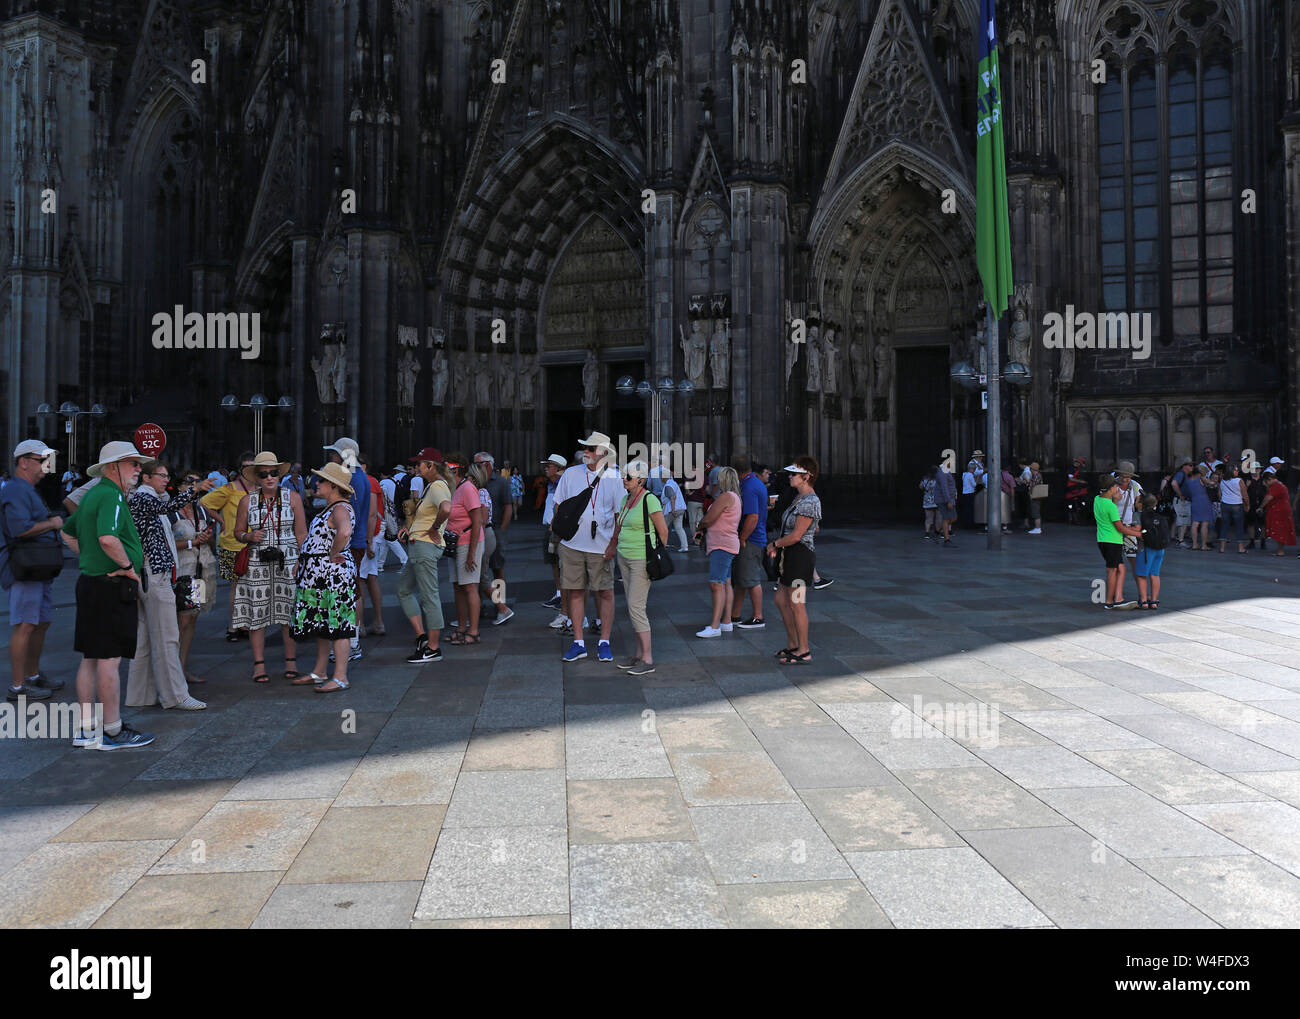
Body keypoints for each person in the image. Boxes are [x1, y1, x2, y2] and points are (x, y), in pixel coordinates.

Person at [60, 441, 155, 749]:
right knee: (109, 660)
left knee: (91, 658)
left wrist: (90, 558)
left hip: (91, 583)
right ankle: (112, 730)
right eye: (133, 464)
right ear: (113, 467)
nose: (139, 470)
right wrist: (128, 567)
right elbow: (107, 538)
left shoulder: (93, 495)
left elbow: (66, 531)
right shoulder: (111, 495)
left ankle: (86, 730)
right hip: (109, 587)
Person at [124, 459, 216, 709]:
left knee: (146, 636)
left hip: (163, 572)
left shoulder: (147, 499)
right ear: (147, 478)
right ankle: (176, 695)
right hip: (157, 573)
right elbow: (170, 508)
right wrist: (195, 490)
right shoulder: (145, 498)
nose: (166, 480)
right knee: (167, 635)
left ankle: (140, 695)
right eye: (161, 476)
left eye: (167, 476)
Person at [232, 452, 307, 683]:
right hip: (257, 562)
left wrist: (302, 561)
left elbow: (301, 532)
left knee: (289, 613)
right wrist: (249, 535)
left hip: (288, 561)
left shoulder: (292, 498)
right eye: (264, 474)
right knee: (258, 614)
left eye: (274, 473)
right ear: (257, 478)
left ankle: (291, 662)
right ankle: (259, 665)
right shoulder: (248, 501)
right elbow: (237, 532)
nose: (269, 478)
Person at [2, 440, 64, 703]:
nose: (45, 467)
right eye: (41, 461)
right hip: (24, 567)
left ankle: (32, 676)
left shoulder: (25, 489)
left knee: (40, 622)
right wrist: (52, 523)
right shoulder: (16, 490)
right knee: (26, 624)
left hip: (37, 567)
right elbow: (19, 529)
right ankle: (18, 687)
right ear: (23, 462)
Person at [553, 432, 622, 662]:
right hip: (572, 545)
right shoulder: (571, 474)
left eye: (591, 449)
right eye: (585, 448)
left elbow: (618, 515)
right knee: (575, 591)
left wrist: (613, 544)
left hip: (601, 546)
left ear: (602, 453)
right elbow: (558, 507)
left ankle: (604, 641)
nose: (586, 452)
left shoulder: (613, 477)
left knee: (605, 592)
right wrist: (563, 534)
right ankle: (578, 642)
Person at [292, 462, 357, 691]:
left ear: (333, 486)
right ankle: (319, 671)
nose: (315, 484)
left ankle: (341, 676)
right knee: (323, 624)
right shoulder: (331, 507)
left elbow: (345, 531)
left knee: (338, 624)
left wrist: (333, 552)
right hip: (320, 576)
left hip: (332, 576)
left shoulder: (340, 508)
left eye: (321, 481)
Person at [605, 460, 667, 675]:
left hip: (642, 559)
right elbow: (619, 525)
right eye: (624, 476)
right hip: (625, 556)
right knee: (634, 607)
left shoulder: (650, 500)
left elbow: (663, 532)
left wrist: (654, 554)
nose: (624, 479)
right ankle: (639, 654)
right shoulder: (625, 499)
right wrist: (613, 546)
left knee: (635, 606)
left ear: (640, 480)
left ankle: (647, 658)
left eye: (628, 477)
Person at [397, 448, 452, 663]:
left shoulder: (437, 486)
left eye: (420, 464)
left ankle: (433, 647)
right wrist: (410, 528)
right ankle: (422, 636)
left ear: (430, 466)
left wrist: (434, 528)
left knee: (430, 596)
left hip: (425, 545)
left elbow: (446, 508)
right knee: (403, 590)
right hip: (419, 543)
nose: (417, 467)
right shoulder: (433, 486)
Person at [767, 456, 821, 664]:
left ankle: (804, 650)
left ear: (806, 477)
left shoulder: (809, 501)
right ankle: (793, 645)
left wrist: (775, 544)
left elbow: (797, 535)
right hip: (790, 555)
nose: (789, 477)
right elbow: (813, 527)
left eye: (793, 474)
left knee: (797, 604)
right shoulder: (799, 498)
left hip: (800, 556)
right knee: (781, 600)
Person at [323, 437, 372, 661]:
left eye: (334, 453)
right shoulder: (360, 476)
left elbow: (347, 517)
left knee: (348, 593)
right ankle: (352, 641)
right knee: (353, 590)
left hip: (349, 543)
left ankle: (350, 643)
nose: (331, 457)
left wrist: (336, 549)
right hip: (356, 541)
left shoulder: (352, 478)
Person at [201, 450, 257, 641]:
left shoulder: (258, 489)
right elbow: (204, 503)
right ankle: (234, 626)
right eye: (246, 466)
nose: (250, 470)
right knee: (235, 586)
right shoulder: (230, 488)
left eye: (253, 466)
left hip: (253, 542)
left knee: (250, 586)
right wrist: (221, 520)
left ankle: (245, 623)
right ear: (241, 469)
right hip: (231, 543)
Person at [170, 469, 217, 684]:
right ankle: (173, 671)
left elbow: (211, 541)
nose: (196, 485)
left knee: (192, 617)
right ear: (180, 486)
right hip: (180, 572)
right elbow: (167, 544)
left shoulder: (202, 511)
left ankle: (181, 666)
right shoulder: (171, 512)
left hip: (200, 570)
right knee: (182, 619)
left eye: (199, 481)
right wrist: (192, 542)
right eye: (191, 481)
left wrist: (207, 538)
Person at [442, 452, 485, 645]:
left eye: (446, 467)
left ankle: (473, 631)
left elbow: (477, 522)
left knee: (469, 587)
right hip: (455, 543)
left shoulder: (468, 488)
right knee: (458, 587)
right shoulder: (454, 488)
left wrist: (471, 554)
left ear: (456, 468)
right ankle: (461, 628)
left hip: (469, 542)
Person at [695, 466, 741, 638]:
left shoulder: (726, 496)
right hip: (726, 544)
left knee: (716, 584)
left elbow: (709, 518)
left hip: (721, 545)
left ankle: (715, 626)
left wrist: (699, 526)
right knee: (725, 583)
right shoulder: (735, 497)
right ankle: (726, 621)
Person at [472, 452, 514, 624]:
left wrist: (502, 530)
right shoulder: (475, 482)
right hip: (481, 529)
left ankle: (501, 605)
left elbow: (508, 507)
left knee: (497, 568)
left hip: (493, 529)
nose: (473, 467)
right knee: (479, 572)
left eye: (477, 464)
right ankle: (479, 605)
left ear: (487, 464)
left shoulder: (501, 482)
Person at [729, 454, 768, 628]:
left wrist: (742, 538)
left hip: (751, 539)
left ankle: (758, 616)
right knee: (741, 579)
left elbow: (752, 516)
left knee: (751, 579)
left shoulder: (749, 486)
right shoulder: (755, 482)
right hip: (754, 537)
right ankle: (734, 615)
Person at [1094, 474, 1142, 610]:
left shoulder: (1097, 500)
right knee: (1112, 570)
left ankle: (1118, 597)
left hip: (1102, 540)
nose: (1118, 488)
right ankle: (1110, 601)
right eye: (1116, 486)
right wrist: (1138, 534)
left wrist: (1114, 501)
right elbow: (1120, 527)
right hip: (1113, 541)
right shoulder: (1111, 506)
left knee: (1120, 568)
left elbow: (1107, 517)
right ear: (1111, 488)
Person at [354, 455, 386, 635]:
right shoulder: (369, 481)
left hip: (369, 535)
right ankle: (376, 622)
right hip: (370, 535)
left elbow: (372, 513)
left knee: (361, 579)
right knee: (369, 578)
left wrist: (368, 541)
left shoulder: (369, 481)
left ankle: (362, 625)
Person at [538, 454, 567, 621]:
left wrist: (554, 525)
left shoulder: (563, 483)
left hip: (557, 529)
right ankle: (559, 594)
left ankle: (564, 599)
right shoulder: (552, 483)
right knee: (553, 563)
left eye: (549, 465)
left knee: (561, 564)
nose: (546, 468)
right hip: (550, 527)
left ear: (557, 467)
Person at [1135, 494, 1169, 609]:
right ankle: (1154, 602)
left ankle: (1144, 601)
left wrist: (1126, 529)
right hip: (1160, 549)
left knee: (1141, 575)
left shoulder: (1139, 515)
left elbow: (1137, 531)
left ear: (1141, 504)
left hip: (1145, 549)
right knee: (1155, 574)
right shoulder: (1159, 516)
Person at [1260, 467, 1296, 556]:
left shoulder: (1276, 486)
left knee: (1279, 530)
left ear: (1270, 479)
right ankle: (1280, 550)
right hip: (1282, 510)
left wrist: (1260, 507)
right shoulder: (1280, 485)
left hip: (1279, 511)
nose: (1266, 484)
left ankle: (1280, 551)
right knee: (1281, 530)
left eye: (1266, 482)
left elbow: (1267, 498)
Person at [1114, 462, 1144, 564]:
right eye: (1122, 476)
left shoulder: (1135, 486)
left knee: (1133, 557)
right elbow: (1105, 506)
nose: (1124, 479)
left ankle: (1139, 578)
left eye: (1127, 477)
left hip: (1128, 526)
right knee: (1115, 560)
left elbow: (1139, 506)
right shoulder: (1112, 486)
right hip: (1113, 527)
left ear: (1131, 476)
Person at [1216, 462, 1250, 554]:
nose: (1237, 471)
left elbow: (1219, 494)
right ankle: (1241, 548)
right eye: (1236, 469)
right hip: (1237, 505)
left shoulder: (1222, 480)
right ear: (1232, 471)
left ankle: (1222, 548)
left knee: (1224, 526)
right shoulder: (1239, 481)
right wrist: (1247, 505)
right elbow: (1245, 495)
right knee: (1239, 526)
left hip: (1225, 504)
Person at [1182, 464, 1213, 550]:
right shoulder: (1201, 478)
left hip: (1194, 501)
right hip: (1204, 501)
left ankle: (1195, 544)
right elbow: (1211, 483)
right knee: (1204, 523)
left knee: (1195, 523)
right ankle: (1204, 545)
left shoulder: (1189, 480)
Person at [1170, 460, 1194, 546]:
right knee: (1183, 520)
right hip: (1182, 501)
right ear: (1184, 466)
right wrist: (1180, 494)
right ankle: (1181, 540)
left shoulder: (1184, 474)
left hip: (1182, 500)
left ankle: (1173, 536)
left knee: (1179, 519)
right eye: (1190, 465)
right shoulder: (1181, 474)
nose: (1192, 467)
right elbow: (1174, 483)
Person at [934, 457, 957, 546]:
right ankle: (946, 539)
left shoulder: (946, 471)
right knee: (947, 518)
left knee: (952, 518)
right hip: (944, 499)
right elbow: (944, 487)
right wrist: (948, 500)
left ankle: (939, 531)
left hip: (948, 498)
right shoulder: (943, 472)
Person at [1021, 461, 1044, 534]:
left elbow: (1032, 485)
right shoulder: (1037, 475)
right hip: (1036, 496)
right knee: (1035, 511)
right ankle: (1037, 528)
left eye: (1030, 469)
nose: (1030, 470)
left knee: (1035, 512)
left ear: (1033, 469)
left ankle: (1038, 528)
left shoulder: (1036, 476)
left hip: (1035, 496)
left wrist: (1026, 481)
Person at [920, 466, 940, 539]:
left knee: (928, 518)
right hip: (938, 500)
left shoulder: (924, 479)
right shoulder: (938, 480)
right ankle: (937, 532)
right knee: (938, 517)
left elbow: (921, 487)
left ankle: (927, 533)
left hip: (927, 500)